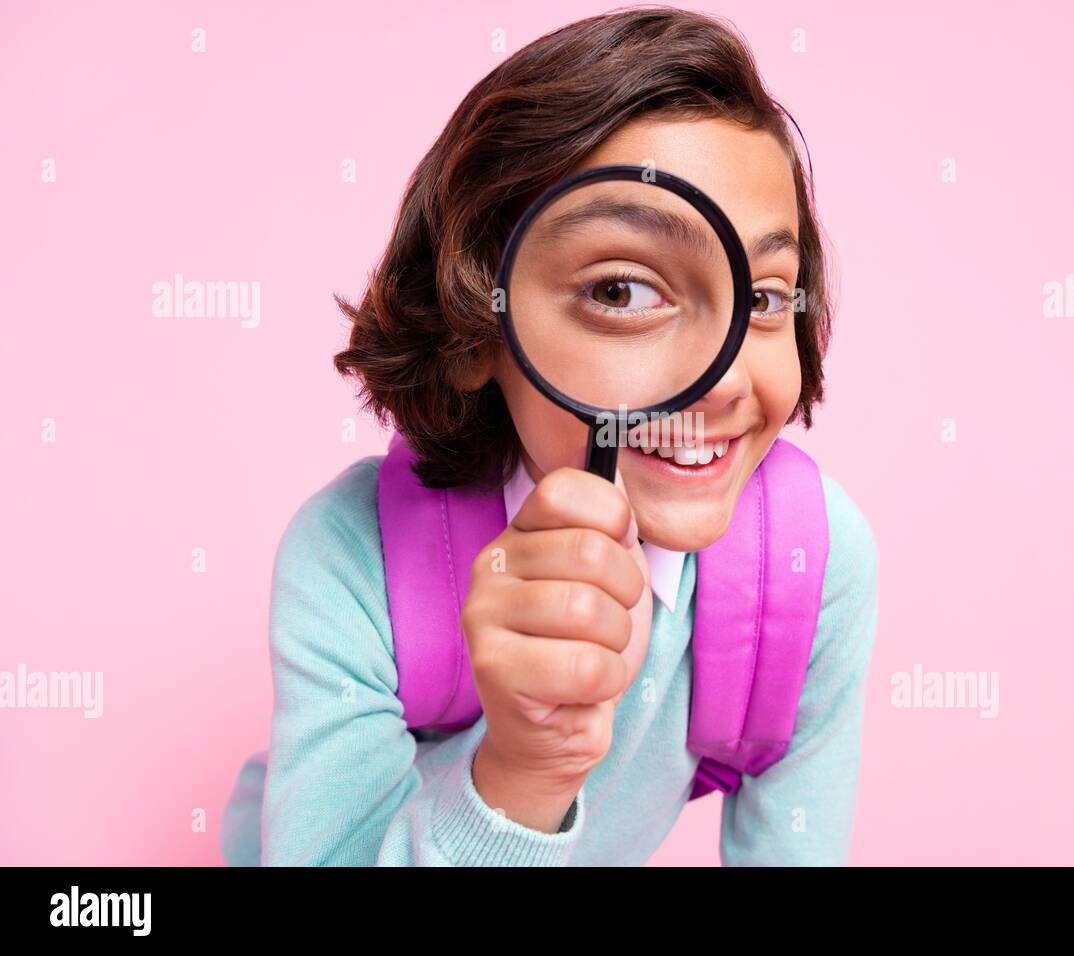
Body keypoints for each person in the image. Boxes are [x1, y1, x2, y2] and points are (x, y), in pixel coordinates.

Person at [219, 5, 879, 866]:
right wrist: (525, 773)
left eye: (761, 300)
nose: (719, 382)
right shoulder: (353, 561)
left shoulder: (808, 563)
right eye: (620, 291)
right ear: (473, 330)